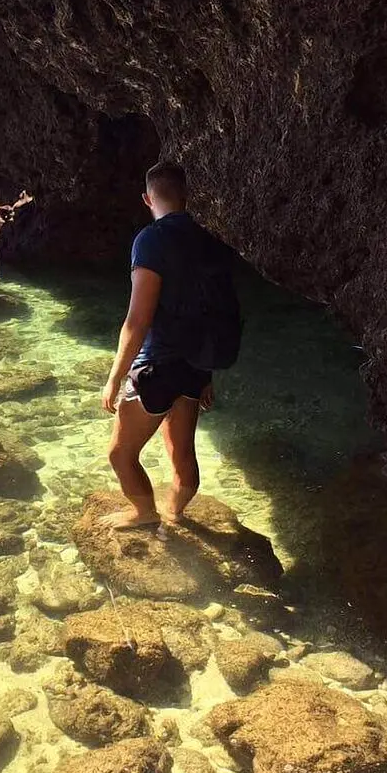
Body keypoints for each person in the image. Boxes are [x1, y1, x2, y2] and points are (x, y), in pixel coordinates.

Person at [100, 161, 240, 529]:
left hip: (158, 366)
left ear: (148, 199)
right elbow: (214, 309)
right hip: (194, 366)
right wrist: (206, 374)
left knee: (120, 455)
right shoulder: (210, 240)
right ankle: (175, 516)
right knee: (182, 456)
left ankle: (145, 513)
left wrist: (114, 377)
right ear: (187, 196)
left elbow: (138, 319)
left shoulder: (150, 240)